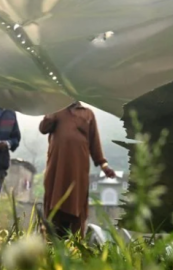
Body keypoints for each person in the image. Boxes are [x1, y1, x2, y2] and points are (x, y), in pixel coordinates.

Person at [40, 101, 116, 238]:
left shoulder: (88, 113)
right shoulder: (56, 108)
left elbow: (94, 142)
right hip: (57, 167)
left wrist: (103, 165)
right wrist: (51, 111)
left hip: (78, 169)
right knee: (53, 198)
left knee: (76, 200)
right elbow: (43, 128)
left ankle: (74, 241)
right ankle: (50, 239)